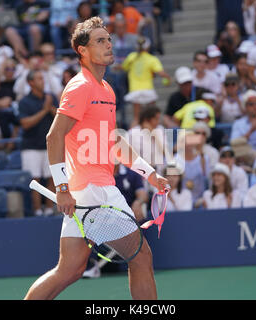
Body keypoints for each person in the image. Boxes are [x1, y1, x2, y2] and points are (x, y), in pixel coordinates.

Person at [24, 17, 169, 300]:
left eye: (109, 39)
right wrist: (62, 188)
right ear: (82, 51)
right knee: (141, 258)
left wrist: (149, 173)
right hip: (93, 190)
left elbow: (113, 141)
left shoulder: (106, 90)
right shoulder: (80, 87)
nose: (108, 44)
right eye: (100, 41)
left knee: (69, 270)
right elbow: (53, 137)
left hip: (87, 190)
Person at [18, 70, 58, 217]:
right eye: (39, 78)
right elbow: (25, 124)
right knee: (35, 179)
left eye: (42, 78)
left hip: (50, 145)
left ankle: (48, 209)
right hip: (31, 147)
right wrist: (44, 110)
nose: (43, 81)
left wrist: (50, 108)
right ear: (31, 83)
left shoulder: (51, 97)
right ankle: (37, 211)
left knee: (52, 177)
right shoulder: (24, 102)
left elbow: (61, 118)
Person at [122, 36, 171, 127]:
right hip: (148, 90)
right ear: (148, 47)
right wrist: (168, 78)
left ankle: (131, 139)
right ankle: (154, 138)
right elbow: (161, 73)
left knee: (136, 118)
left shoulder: (131, 57)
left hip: (135, 90)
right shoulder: (151, 59)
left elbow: (124, 67)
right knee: (152, 117)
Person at [174, 130, 208, 205]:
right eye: (185, 141)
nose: (188, 143)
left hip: (201, 200)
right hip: (181, 200)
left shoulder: (204, 158)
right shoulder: (175, 159)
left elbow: (206, 178)